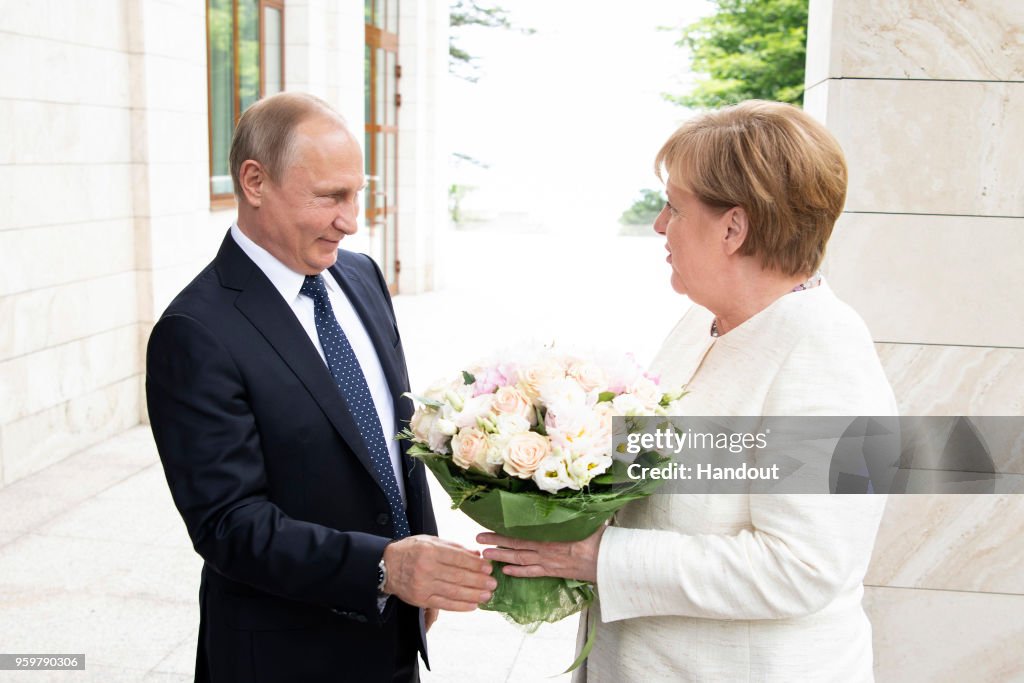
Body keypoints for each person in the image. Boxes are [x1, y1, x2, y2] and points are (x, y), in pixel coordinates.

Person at [480, 100, 897, 681]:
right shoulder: (701, 324)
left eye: (674, 207)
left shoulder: (829, 353)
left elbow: (805, 565)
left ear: (734, 226)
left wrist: (600, 558)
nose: (658, 225)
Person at [146, 92, 495, 682]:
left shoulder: (359, 276)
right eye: (330, 197)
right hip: (284, 656)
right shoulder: (194, 331)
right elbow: (229, 524)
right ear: (254, 181)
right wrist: (384, 568)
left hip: (392, 636)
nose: (351, 220)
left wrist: (420, 557)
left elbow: (391, 440)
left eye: (357, 193)